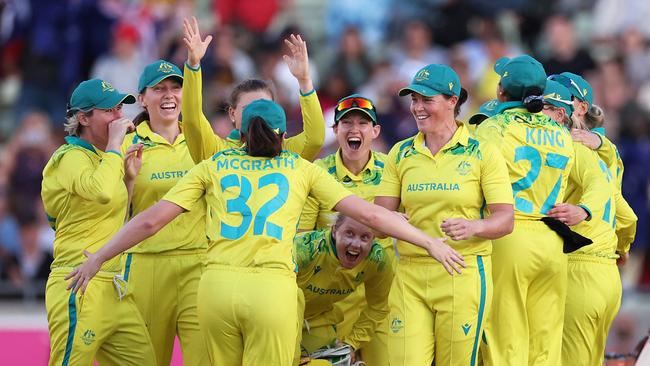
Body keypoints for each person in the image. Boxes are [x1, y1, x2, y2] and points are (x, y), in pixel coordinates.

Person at [66, 99, 466, 366]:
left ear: (241, 134)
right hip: (271, 291)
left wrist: (100, 256)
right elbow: (373, 217)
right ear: (280, 135)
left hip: (216, 287)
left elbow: (151, 219)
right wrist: (429, 241)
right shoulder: (299, 168)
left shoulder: (216, 165)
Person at [375, 64, 515, 366]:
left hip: (461, 272)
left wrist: (474, 226)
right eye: (414, 100)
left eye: (427, 100)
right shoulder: (400, 153)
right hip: (410, 273)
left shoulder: (482, 152)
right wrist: (388, 222)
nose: (417, 108)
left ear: (452, 101)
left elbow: (505, 219)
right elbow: (379, 220)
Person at [474, 56, 603, 366]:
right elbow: (595, 175)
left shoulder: (493, 128)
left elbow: (472, 177)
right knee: (545, 343)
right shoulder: (560, 132)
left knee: (506, 340)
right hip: (551, 242)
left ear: (501, 91)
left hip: (510, 235)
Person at [42, 79, 155, 365]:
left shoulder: (107, 158)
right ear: (83, 118)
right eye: (109, 111)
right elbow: (101, 193)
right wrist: (116, 145)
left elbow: (115, 216)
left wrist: (129, 180)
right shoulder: (68, 157)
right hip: (78, 281)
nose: (119, 117)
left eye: (119, 108)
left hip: (114, 285)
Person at [118, 58, 209, 365]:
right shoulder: (125, 145)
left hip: (199, 264)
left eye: (175, 87)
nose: (169, 95)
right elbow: (117, 214)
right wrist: (129, 180)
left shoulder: (204, 142)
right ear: (142, 98)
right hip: (146, 267)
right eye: (159, 89)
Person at [542, 79, 638, 366]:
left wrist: (583, 211)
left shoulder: (567, 148)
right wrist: (621, 249)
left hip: (578, 269)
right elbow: (627, 217)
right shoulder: (608, 154)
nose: (547, 110)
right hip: (606, 274)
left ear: (580, 107)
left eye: (555, 104)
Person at [297, 93, 391, 364]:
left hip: (379, 297)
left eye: (363, 123)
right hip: (330, 300)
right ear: (335, 130)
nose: (354, 129)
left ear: (375, 131)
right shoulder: (317, 172)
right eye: (346, 123)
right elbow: (302, 238)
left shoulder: (392, 169)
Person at [181, 16, 325, 163]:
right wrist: (193, 65)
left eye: (265, 106)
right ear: (232, 114)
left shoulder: (286, 151)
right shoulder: (217, 151)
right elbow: (192, 121)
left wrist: (305, 81)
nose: (258, 114)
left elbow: (314, 139)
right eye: (248, 108)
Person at [294, 215, 394, 363]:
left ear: (373, 239)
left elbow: (379, 307)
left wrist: (351, 343)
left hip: (317, 321)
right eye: (349, 233)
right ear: (334, 231)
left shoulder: (377, 260)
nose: (355, 244)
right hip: (281, 316)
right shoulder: (305, 248)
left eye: (365, 237)